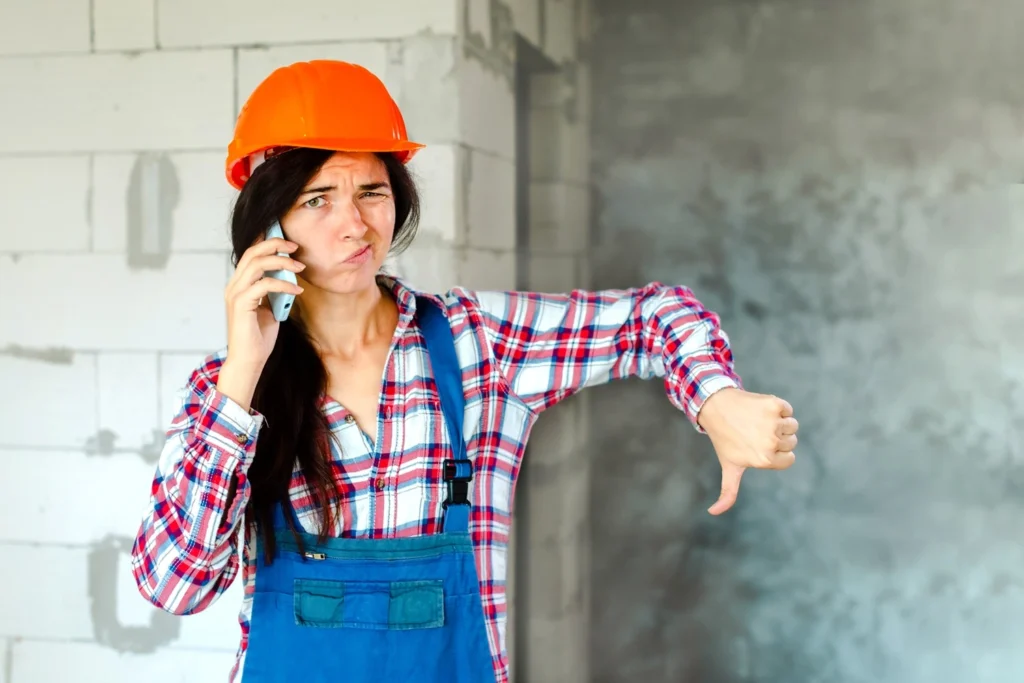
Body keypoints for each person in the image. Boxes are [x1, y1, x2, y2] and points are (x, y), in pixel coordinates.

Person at [130, 59, 799, 683]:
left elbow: (653, 316)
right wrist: (245, 369)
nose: (354, 225)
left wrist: (716, 397)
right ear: (268, 222)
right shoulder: (226, 392)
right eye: (317, 199)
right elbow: (173, 585)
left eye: (371, 191)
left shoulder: (476, 342)